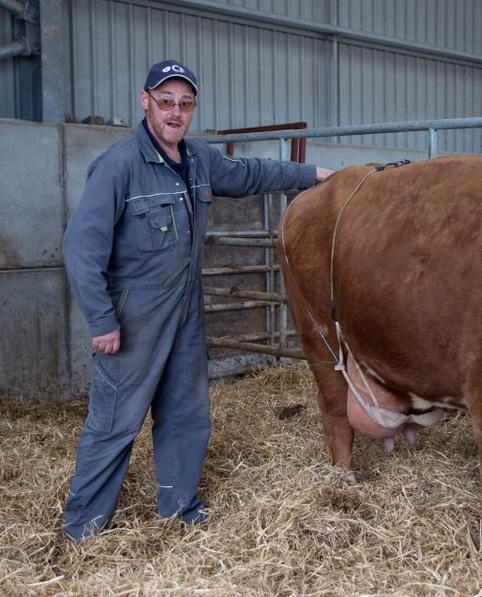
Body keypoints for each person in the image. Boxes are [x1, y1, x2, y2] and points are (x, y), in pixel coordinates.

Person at [62, 59, 333, 539]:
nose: (175, 112)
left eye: (185, 104)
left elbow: (250, 173)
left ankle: (179, 508)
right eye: (165, 101)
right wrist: (102, 320)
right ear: (145, 101)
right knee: (115, 423)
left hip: (185, 311)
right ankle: (85, 528)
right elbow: (82, 248)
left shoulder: (198, 159)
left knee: (187, 414)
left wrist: (313, 174)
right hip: (135, 316)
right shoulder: (119, 166)